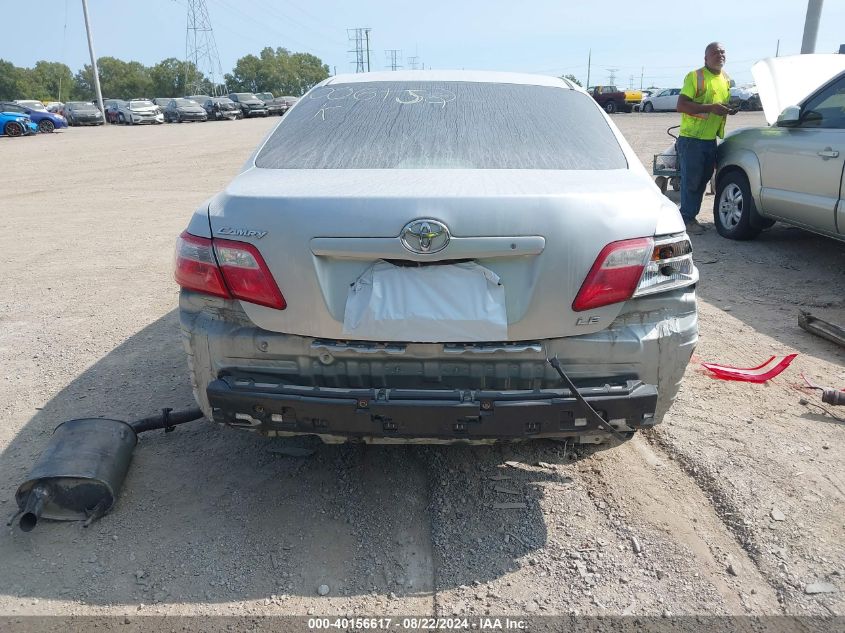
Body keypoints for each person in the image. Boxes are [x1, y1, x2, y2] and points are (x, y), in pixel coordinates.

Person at [675, 42, 734, 235]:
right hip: (692, 139)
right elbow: (681, 105)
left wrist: (728, 109)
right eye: (715, 52)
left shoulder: (725, 79)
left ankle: (691, 216)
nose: (720, 55)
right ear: (706, 58)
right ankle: (686, 219)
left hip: (709, 139)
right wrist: (710, 108)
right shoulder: (695, 76)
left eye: (723, 52)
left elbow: (720, 104)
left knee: (702, 180)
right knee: (692, 181)